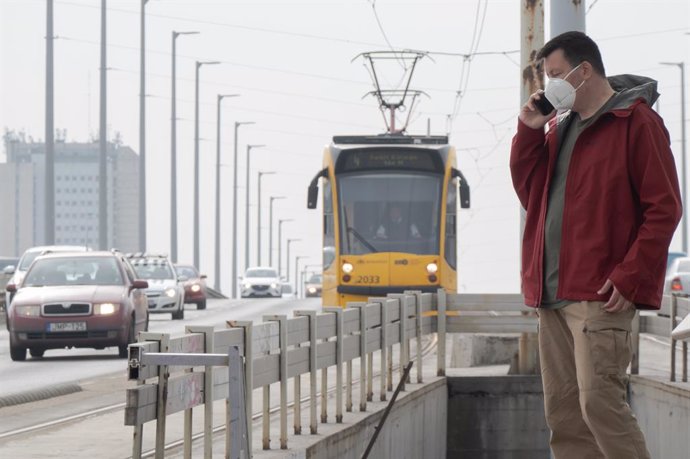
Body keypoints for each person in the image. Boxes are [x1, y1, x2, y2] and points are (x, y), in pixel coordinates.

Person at [510, 31, 681, 459]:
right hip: (551, 297)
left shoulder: (636, 123)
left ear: (583, 71)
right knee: (565, 416)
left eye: (554, 75)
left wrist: (630, 275)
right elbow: (532, 194)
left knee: (599, 405)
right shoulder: (560, 128)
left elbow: (665, 209)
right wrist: (529, 132)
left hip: (599, 297)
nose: (549, 86)